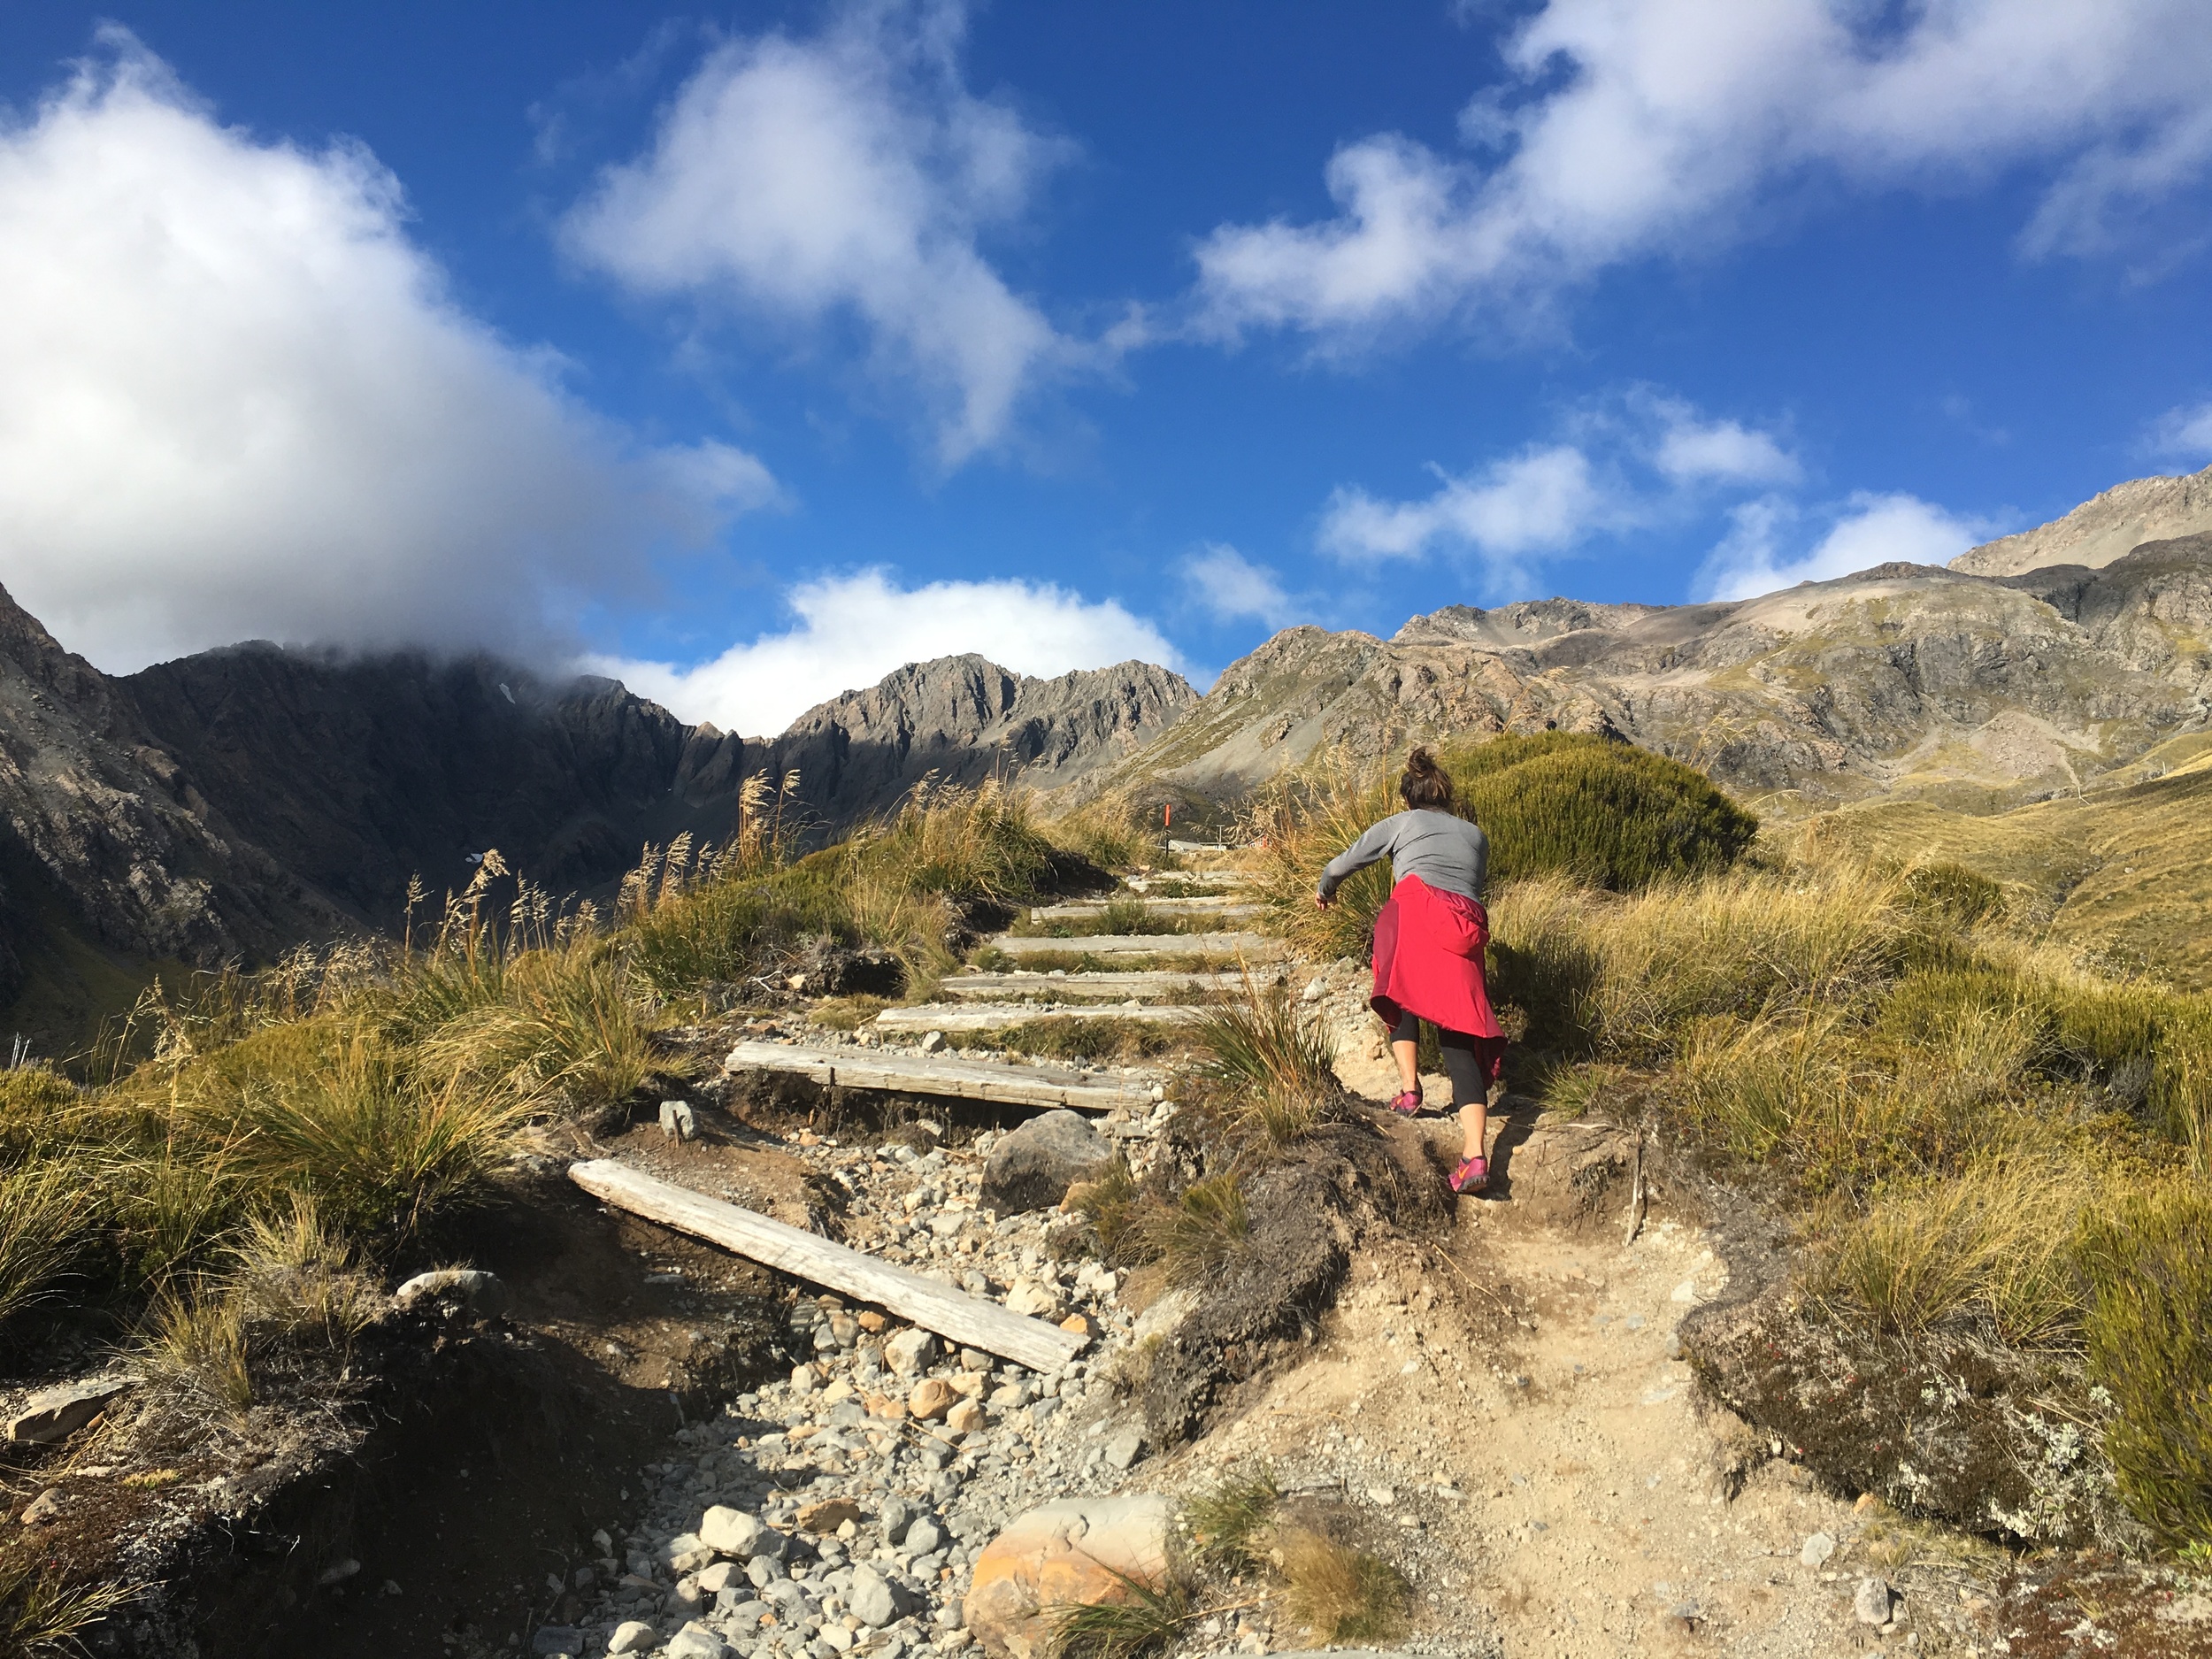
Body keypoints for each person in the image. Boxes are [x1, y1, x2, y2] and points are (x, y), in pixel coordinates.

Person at [1315, 748, 1505, 1194]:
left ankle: (1409, 1090)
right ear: (1446, 796)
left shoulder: (1404, 823)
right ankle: (1475, 1156)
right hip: (1464, 931)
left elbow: (1343, 864)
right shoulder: (1477, 836)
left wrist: (1326, 889)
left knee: (1401, 991)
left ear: (1409, 799)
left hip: (1414, 915)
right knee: (1460, 1035)